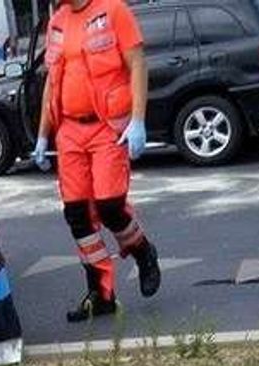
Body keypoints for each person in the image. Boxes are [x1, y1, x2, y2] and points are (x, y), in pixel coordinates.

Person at [33, 0, 161, 322]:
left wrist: (138, 120)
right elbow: (52, 80)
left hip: (107, 127)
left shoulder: (114, 10)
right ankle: (101, 294)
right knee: (77, 215)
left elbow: (138, 64)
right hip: (70, 131)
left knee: (109, 206)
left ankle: (142, 250)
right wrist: (42, 135)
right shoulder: (58, 21)